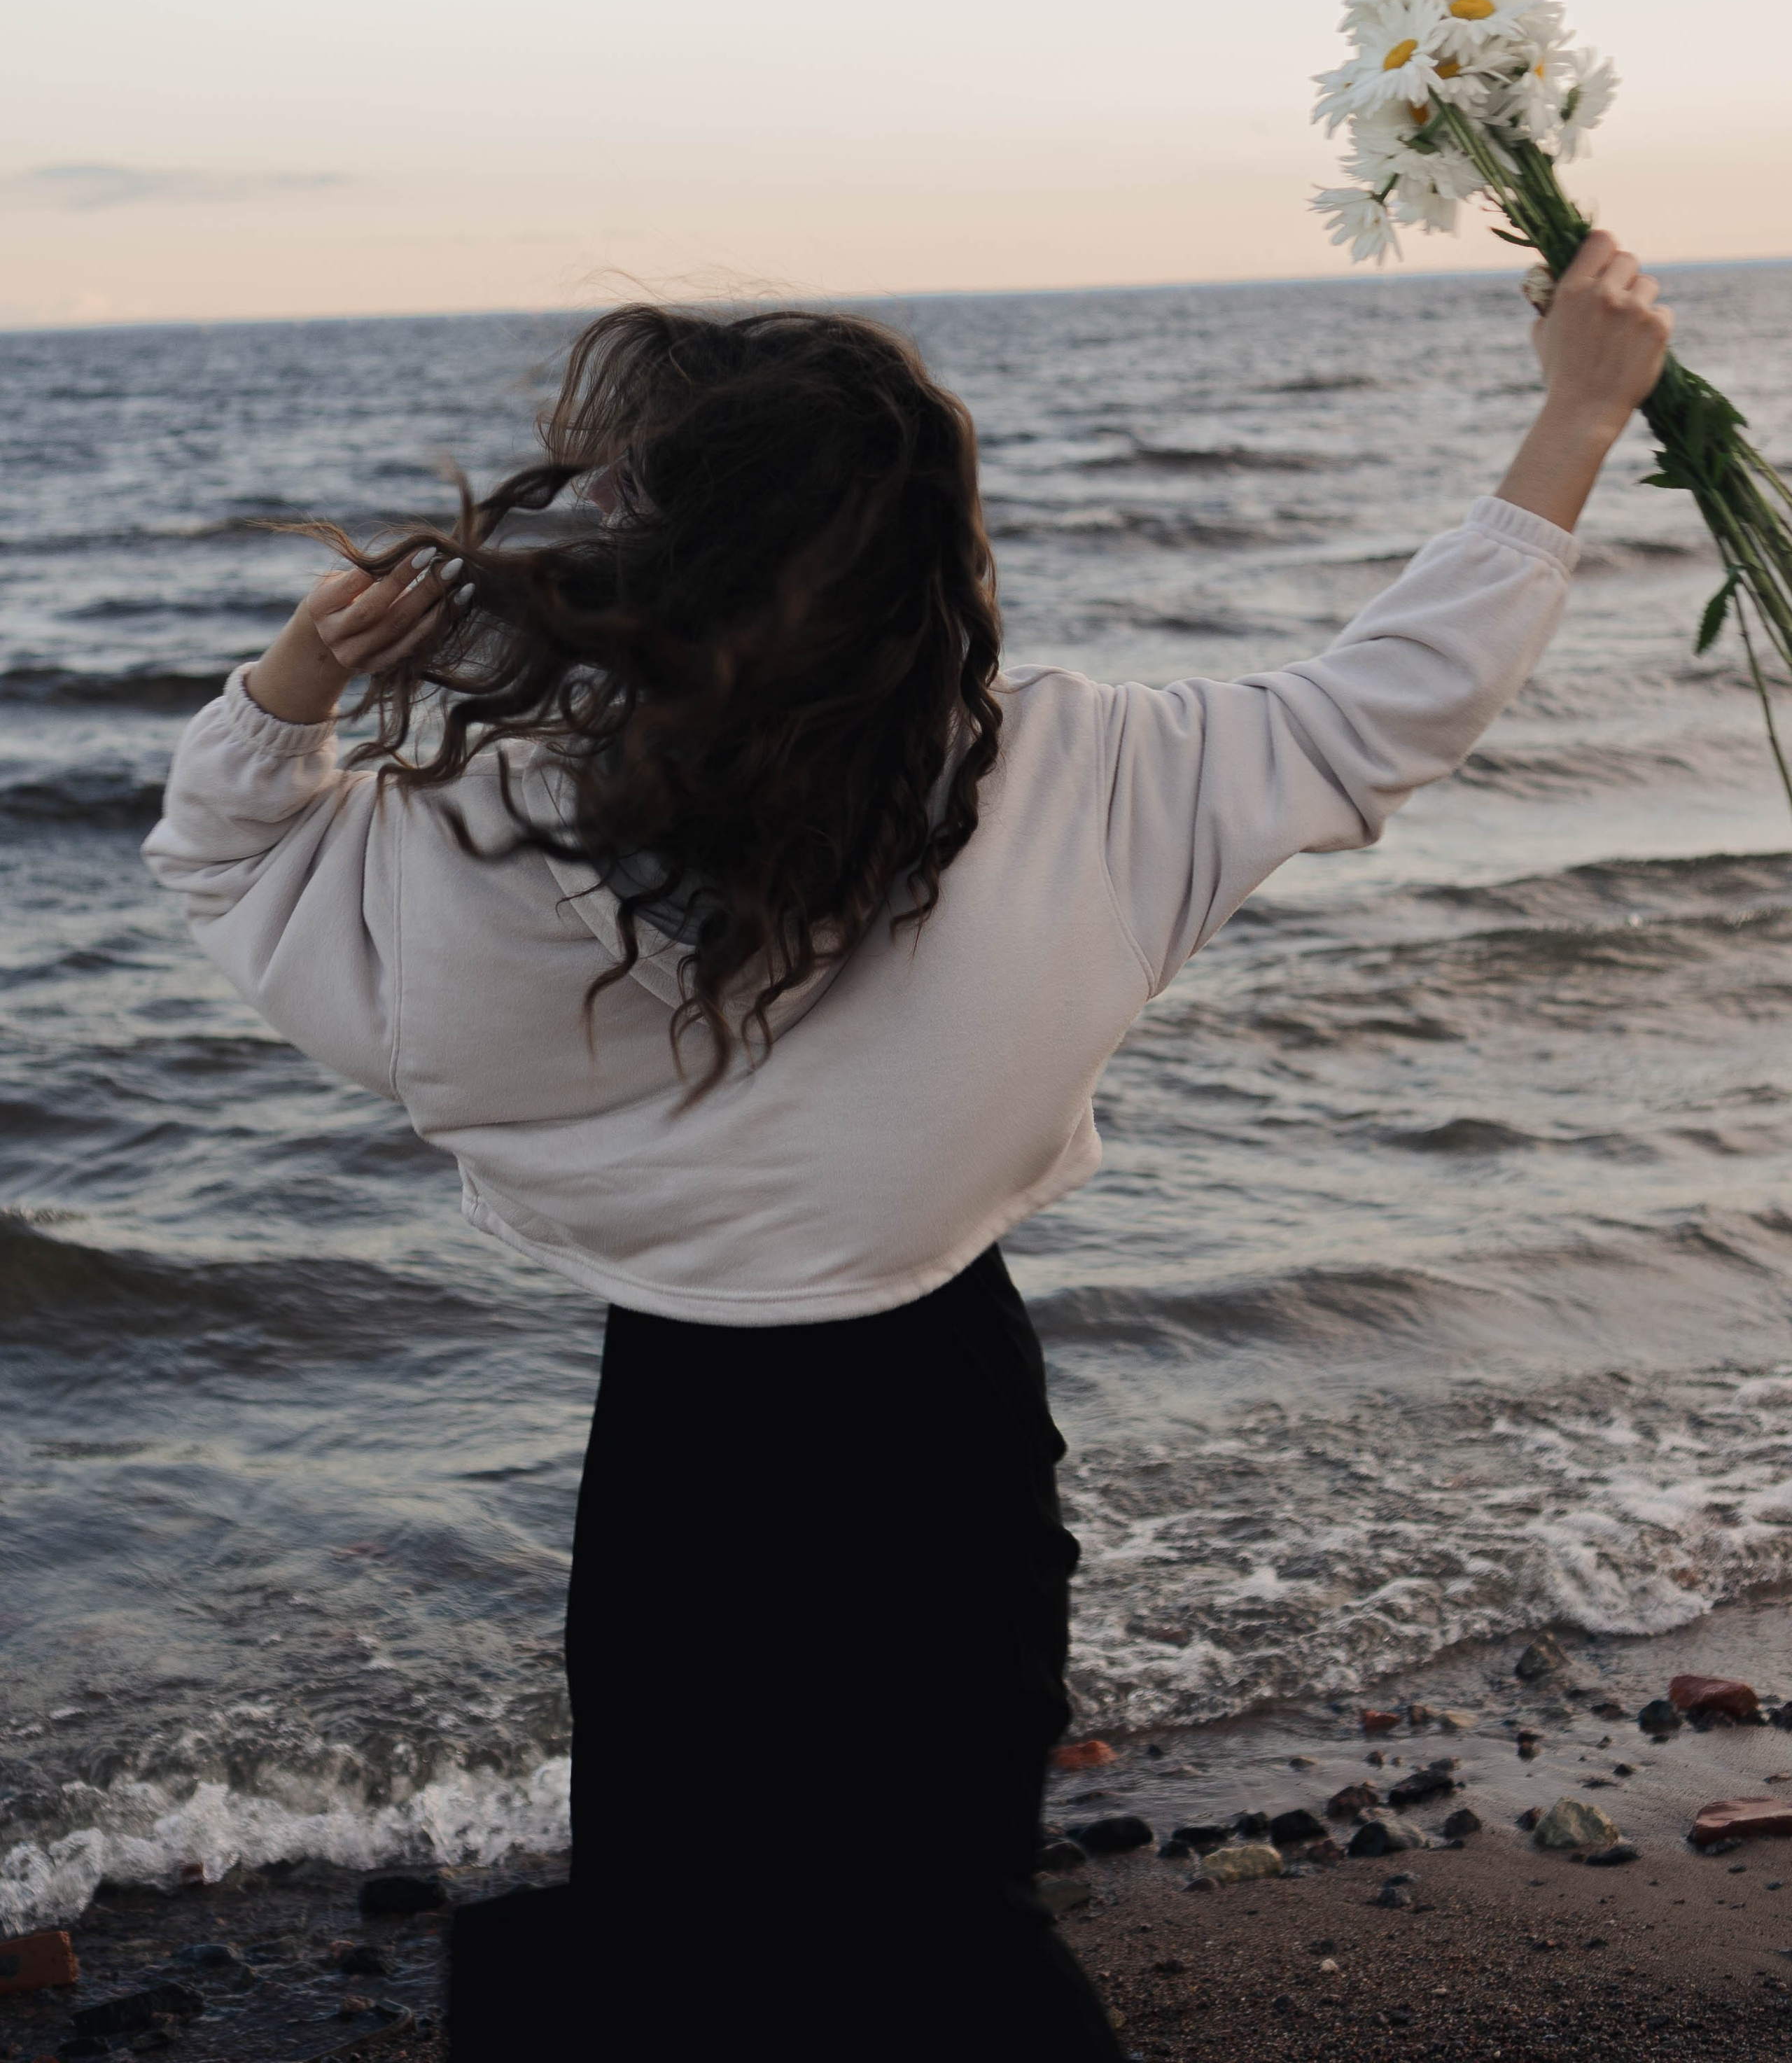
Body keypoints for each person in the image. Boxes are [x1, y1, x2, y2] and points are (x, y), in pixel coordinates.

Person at [144, 231, 1670, 2058]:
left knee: (683, 1916)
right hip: (940, 1420)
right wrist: (1577, 415)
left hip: (685, 1450)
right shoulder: (1070, 772)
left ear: (661, 557)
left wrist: (295, 681)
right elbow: (1380, 707)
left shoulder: (505, 841)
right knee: (947, 1917)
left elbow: (225, 860)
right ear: (920, 556)